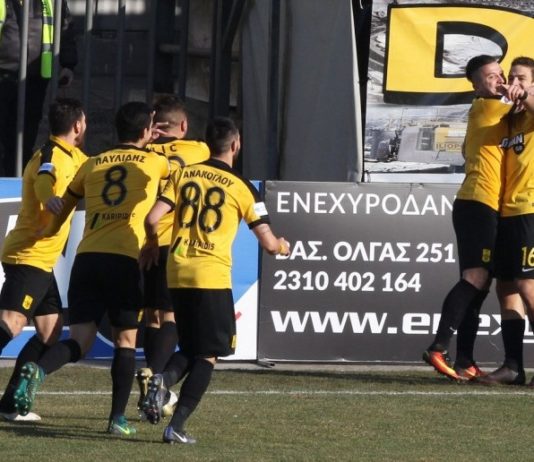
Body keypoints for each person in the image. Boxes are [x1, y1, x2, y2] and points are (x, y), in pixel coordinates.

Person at [12, 101, 170, 436]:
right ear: (146, 131)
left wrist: (47, 231)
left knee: (79, 340)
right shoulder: (155, 161)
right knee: (125, 341)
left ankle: (38, 371)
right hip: (123, 259)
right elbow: (179, 173)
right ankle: (117, 419)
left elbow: (63, 208)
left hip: (86, 259)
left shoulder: (92, 163)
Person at [138, 116, 290, 444]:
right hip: (210, 275)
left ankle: (161, 381)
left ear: (207, 144)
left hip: (177, 271)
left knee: (191, 347)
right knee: (208, 355)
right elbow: (268, 243)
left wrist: (151, 244)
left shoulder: (183, 174)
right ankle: (176, 425)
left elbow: (152, 218)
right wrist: (281, 246)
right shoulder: (242, 187)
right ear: (236, 145)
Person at [423, 55, 517, 381]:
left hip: (484, 204)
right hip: (477, 203)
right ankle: (438, 347)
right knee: (475, 277)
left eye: (501, 73)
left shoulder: (489, 111)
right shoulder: (489, 107)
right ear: (476, 85)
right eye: (491, 76)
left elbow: (467, 150)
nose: (500, 80)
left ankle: (465, 360)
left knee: (481, 284)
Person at [0, 98, 87, 421]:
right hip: (28, 255)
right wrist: (49, 198)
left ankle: (10, 405)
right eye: (85, 122)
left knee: (50, 331)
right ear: (77, 125)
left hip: (42, 261)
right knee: (11, 324)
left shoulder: (75, 157)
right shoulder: (49, 155)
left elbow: (100, 168)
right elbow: (43, 179)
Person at [136, 96, 210, 415]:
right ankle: (155, 376)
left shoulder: (142, 151)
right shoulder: (198, 149)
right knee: (171, 317)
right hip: (170, 241)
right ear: (183, 125)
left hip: (141, 242)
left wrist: (146, 140)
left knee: (151, 315)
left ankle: (149, 386)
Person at [479, 57, 534, 385]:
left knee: (529, 285)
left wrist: (524, 95)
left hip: (530, 209)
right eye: (511, 76)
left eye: (521, 78)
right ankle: (513, 367)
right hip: (505, 212)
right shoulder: (509, 117)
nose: (514, 82)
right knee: (507, 288)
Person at [0, 0, 78, 177]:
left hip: (35, 76)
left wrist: (68, 64)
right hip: (3, 72)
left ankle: (19, 177)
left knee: (25, 133)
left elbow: (65, 27)